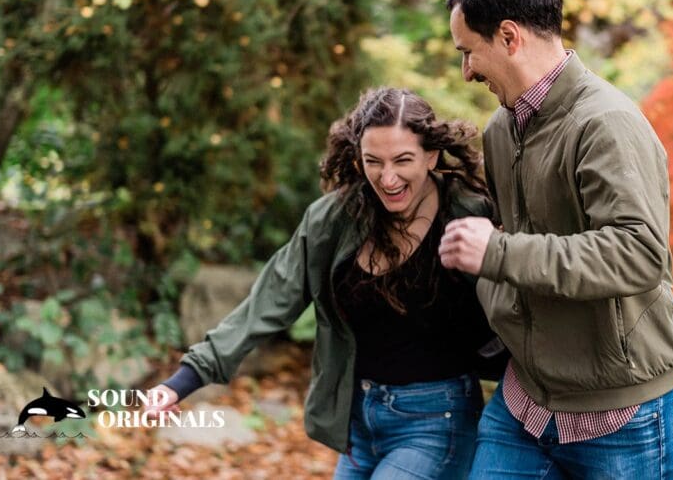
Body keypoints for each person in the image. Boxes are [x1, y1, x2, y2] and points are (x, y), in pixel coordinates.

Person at [145, 88, 501, 479]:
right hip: (358, 423)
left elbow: (521, 300)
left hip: (438, 420)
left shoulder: (469, 214)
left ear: (431, 155)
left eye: (403, 160)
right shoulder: (334, 219)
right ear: (357, 158)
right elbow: (266, 303)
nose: (388, 177)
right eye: (373, 161)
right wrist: (182, 381)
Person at [438, 0, 673, 479]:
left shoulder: (608, 123)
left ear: (509, 37)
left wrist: (496, 254)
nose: (467, 72)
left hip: (618, 417)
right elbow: (509, 242)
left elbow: (638, 254)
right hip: (523, 402)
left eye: (469, 52)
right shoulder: (500, 131)